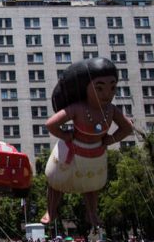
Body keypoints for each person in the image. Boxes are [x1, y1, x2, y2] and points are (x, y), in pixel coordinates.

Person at [41, 58, 133, 228]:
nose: (107, 93)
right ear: (86, 87)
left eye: (112, 87)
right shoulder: (78, 108)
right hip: (72, 149)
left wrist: (110, 139)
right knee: (56, 182)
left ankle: (92, 213)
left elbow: (127, 128)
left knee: (92, 187)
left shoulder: (111, 110)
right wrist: (64, 135)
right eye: (99, 88)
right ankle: (51, 210)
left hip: (96, 152)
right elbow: (51, 123)